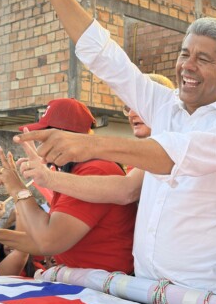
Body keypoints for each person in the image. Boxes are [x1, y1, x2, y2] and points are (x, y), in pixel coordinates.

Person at [10, 0, 216, 294]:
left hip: (205, 296)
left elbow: (173, 155)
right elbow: (105, 56)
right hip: (144, 289)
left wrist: (91, 147)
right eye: (184, 54)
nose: (187, 67)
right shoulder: (164, 104)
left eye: (203, 59)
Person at [0, 98, 137, 273]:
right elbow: (38, 240)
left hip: (104, 288)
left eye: (44, 138)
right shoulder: (74, 172)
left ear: (65, 136)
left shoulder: (95, 170)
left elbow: (47, 241)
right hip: (88, 280)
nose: (41, 148)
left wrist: (17, 189)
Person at [17, 74, 175, 207]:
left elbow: (127, 190)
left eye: (139, 104)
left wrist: (33, 184)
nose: (132, 113)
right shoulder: (134, 158)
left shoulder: (98, 168)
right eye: (128, 106)